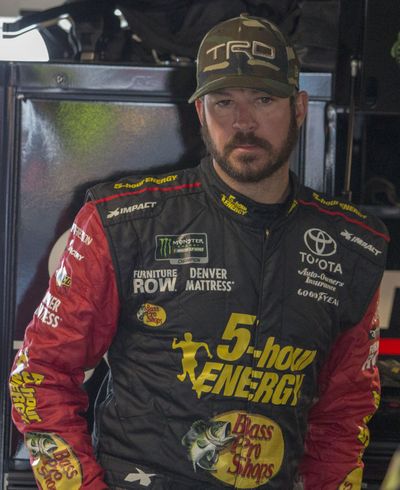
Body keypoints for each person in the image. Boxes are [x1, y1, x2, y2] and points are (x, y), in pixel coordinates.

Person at [9, 13, 389, 490]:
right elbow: (40, 374)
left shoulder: (352, 245)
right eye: (223, 101)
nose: (243, 122)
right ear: (199, 113)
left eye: (264, 99)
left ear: (299, 108)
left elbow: (343, 413)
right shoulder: (122, 222)